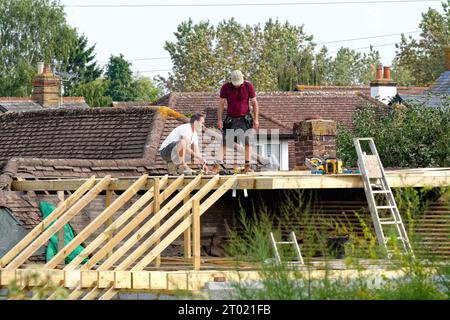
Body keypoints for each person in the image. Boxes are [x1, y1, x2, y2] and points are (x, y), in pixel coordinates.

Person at [217, 70, 260, 173]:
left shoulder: (248, 86)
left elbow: (254, 103)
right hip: (230, 118)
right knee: (225, 142)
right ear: (230, 80)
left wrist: (256, 119)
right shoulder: (225, 87)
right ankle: (216, 165)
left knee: (247, 142)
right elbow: (221, 103)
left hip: (245, 118)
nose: (236, 85)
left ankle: (247, 166)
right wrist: (219, 119)